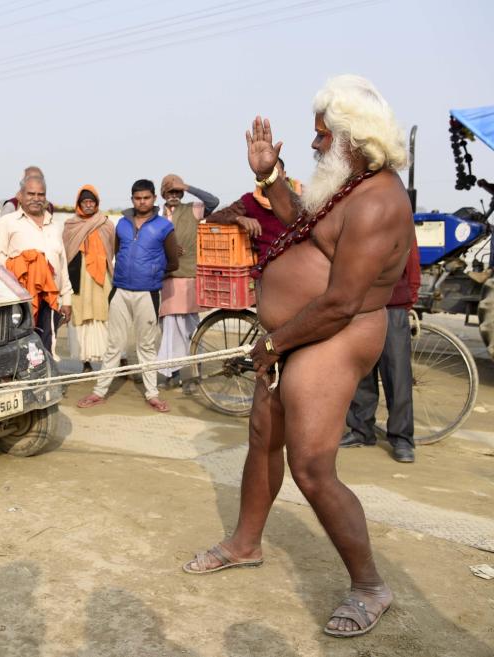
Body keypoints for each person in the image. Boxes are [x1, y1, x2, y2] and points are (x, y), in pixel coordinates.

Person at [183, 75, 414, 639]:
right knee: (264, 438)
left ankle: (369, 587)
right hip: (296, 337)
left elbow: (339, 303)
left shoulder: (381, 201)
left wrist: (274, 343)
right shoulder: (348, 189)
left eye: (320, 136)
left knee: (313, 467)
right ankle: (245, 543)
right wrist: (267, 175)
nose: (312, 145)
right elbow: (299, 224)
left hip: (333, 336)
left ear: (353, 139)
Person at [76, 179, 179, 413]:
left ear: (154, 199)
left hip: (148, 294)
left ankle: (152, 394)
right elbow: (115, 252)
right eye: (137, 198)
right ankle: (99, 392)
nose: (142, 202)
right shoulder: (121, 224)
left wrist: (151, 273)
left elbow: (173, 262)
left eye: (146, 197)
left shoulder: (164, 227)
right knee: (114, 345)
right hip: (120, 291)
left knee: (146, 346)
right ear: (132, 199)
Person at [341, 235, 421, 462]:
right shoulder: (358, 220)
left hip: (393, 305)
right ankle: (361, 431)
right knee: (362, 373)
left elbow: (412, 262)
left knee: (397, 376)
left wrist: (408, 299)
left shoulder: (397, 216)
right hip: (360, 305)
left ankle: (402, 439)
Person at [0, 176, 72, 353]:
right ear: (20, 195)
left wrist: (67, 299)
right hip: (20, 300)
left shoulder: (55, 226)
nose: (36, 198)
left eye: (41, 194)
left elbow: (62, 264)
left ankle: (44, 380)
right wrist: (24, 264)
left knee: (47, 346)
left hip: (50, 300)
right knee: (21, 348)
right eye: (31, 193)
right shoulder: (8, 222)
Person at [155, 174, 219, 390]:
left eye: (177, 191)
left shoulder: (192, 209)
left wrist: (186, 186)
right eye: (170, 191)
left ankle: (194, 376)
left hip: (189, 277)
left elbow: (214, 202)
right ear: (163, 194)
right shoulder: (156, 215)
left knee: (191, 330)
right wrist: (167, 251)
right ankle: (170, 375)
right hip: (165, 280)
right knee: (169, 330)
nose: (174, 195)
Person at [62, 185, 115, 371]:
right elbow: (65, 253)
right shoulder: (70, 226)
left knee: (106, 314)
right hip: (79, 278)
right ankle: (85, 361)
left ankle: (112, 358)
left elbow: (112, 249)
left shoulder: (106, 224)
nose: (88, 205)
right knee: (81, 315)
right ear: (79, 204)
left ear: (97, 203)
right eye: (85, 202)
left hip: (102, 279)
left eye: (92, 202)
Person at [206, 158, 303, 256]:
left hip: (302, 258)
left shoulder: (305, 196)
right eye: (264, 174)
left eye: (274, 173)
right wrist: (239, 219)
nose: (269, 178)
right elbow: (213, 217)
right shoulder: (249, 201)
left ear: (283, 174)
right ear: (258, 177)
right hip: (268, 262)